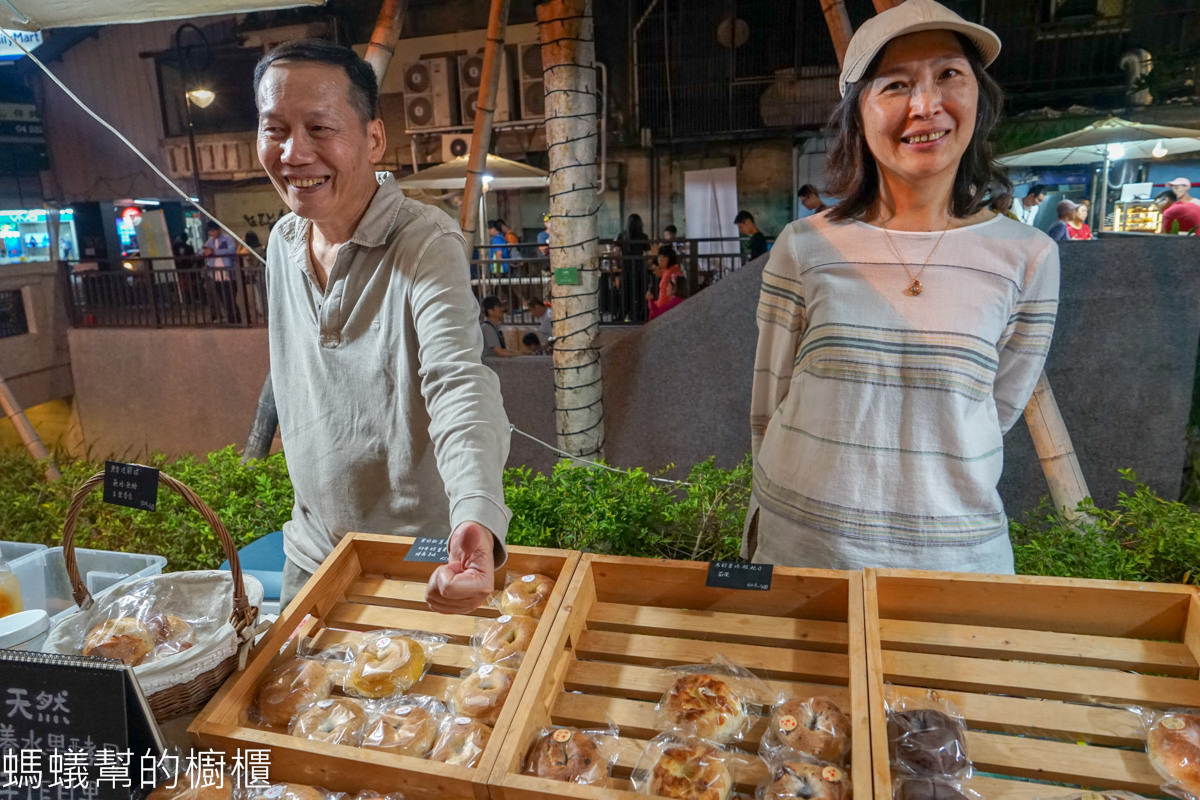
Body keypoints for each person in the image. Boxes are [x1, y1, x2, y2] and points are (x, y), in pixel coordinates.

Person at [746, 0, 1059, 574]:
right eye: (894, 85)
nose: (926, 105)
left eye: (948, 75)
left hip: (956, 557)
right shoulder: (803, 246)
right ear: (858, 113)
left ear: (978, 99)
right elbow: (770, 397)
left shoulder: (1028, 256)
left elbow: (995, 407)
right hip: (805, 543)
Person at [254, 39, 511, 613]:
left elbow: (459, 383)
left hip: (417, 557)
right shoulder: (281, 241)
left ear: (373, 137)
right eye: (275, 129)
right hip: (311, 550)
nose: (293, 153)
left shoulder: (426, 242)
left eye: (320, 128)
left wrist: (475, 513)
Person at [614, 213, 649, 321]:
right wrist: (645, 263)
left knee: (626, 293)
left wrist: (619, 264)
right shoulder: (643, 236)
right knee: (640, 292)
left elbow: (616, 252)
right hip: (639, 269)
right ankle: (639, 315)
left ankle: (624, 316)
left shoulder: (622, 235)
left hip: (626, 268)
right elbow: (648, 254)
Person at [203, 222, 238, 322]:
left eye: (213, 231)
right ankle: (231, 318)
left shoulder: (227, 238)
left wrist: (214, 252)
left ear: (218, 230)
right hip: (216, 274)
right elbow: (202, 250)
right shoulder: (210, 241)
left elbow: (232, 250)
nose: (212, 233)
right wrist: (205, 252)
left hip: (228, 273)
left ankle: (235, 318)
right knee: (222, 298)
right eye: (210, 231)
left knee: (230, 298)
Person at [646, 245, 683, 310]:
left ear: (666, 258)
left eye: (660, 257)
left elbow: (673, 298)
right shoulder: (668, 271)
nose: (658, 260)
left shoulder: (674, 273)